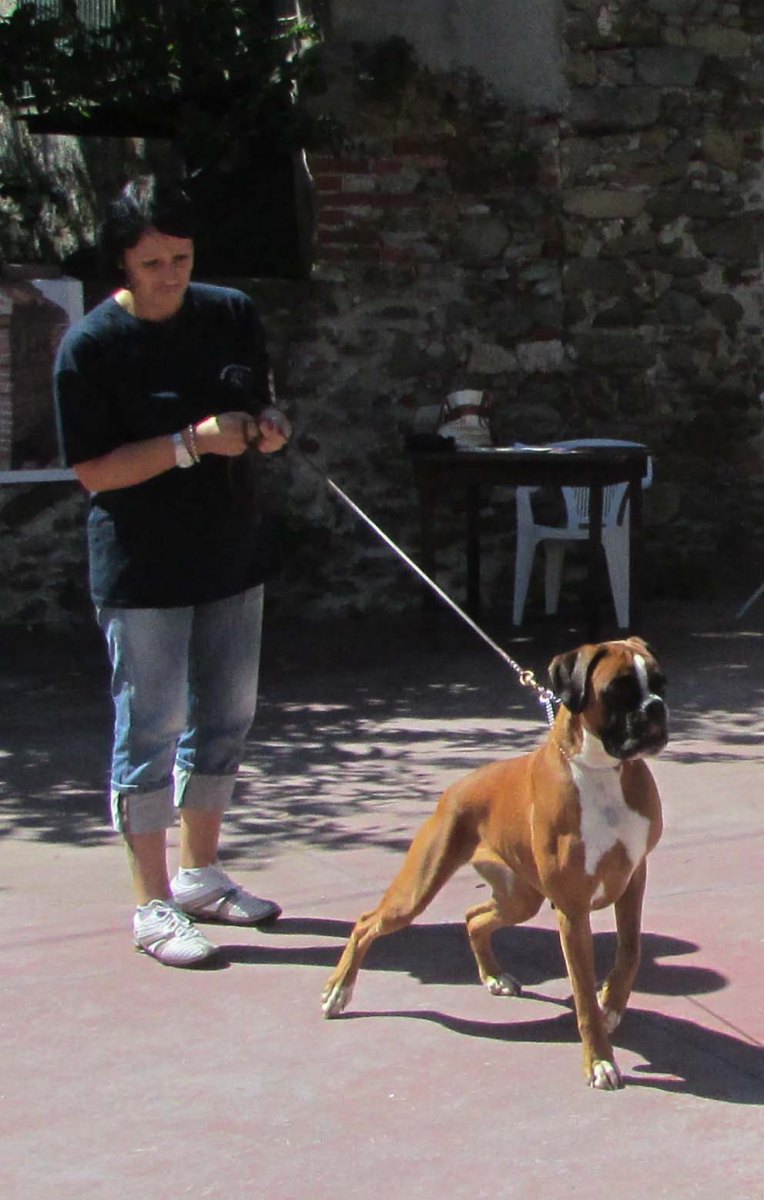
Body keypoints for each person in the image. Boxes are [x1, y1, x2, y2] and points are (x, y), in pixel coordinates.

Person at [54, 174, 292, 967]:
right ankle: (152, 905)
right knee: (151, 725)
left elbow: (261, 398)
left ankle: (200, 875)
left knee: (227, 714)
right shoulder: (91, 348)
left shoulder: (230, 313)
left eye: (181, 259)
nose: (169, 276)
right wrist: (189, 444)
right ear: (122, 262)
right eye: (151, 263)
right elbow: (93, 470)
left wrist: (267, 426)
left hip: (231, 548)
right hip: (143, 566)